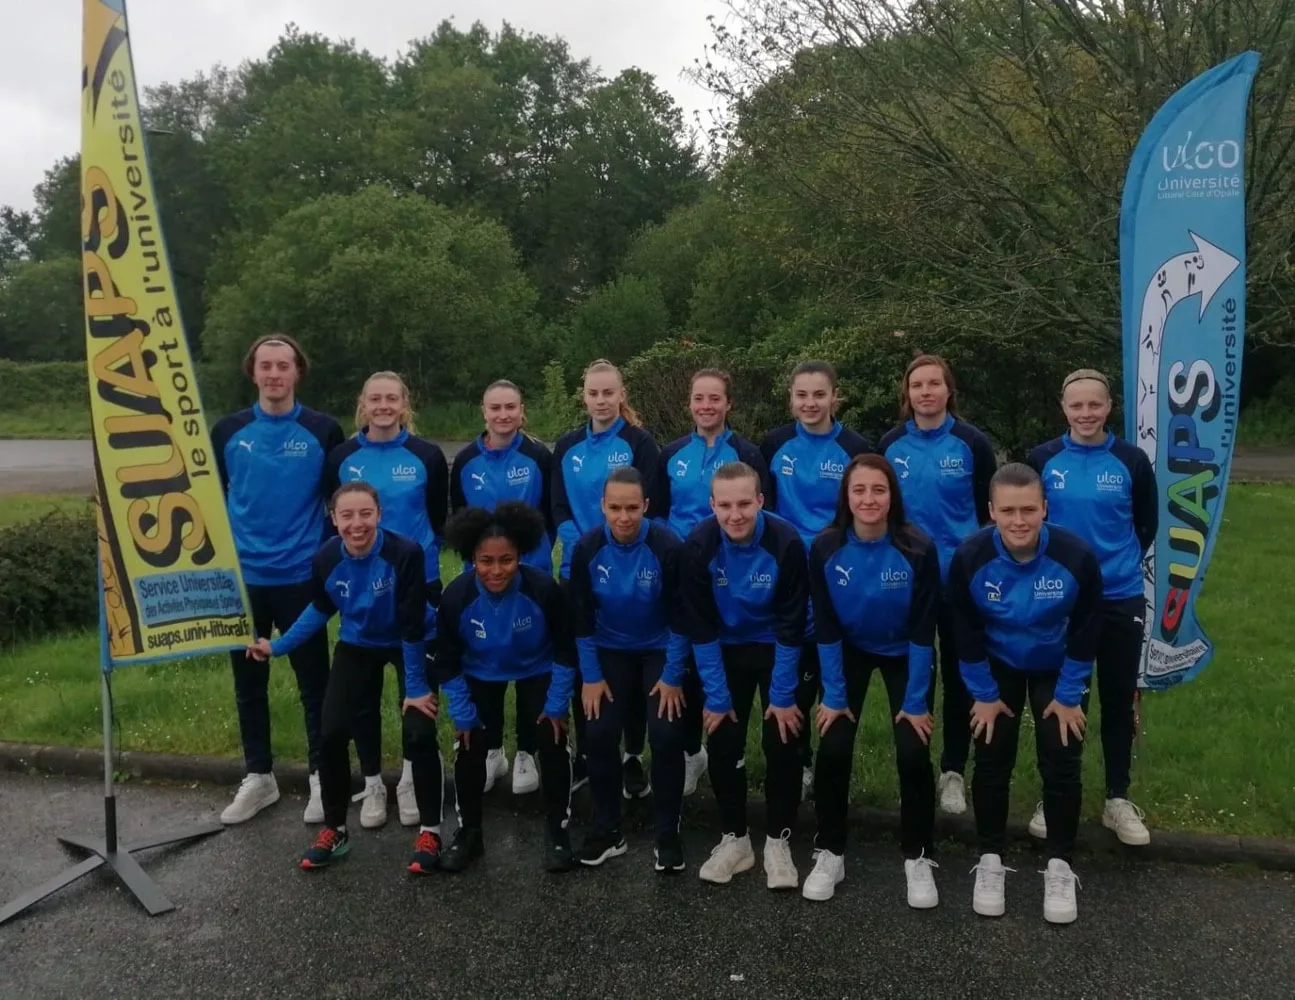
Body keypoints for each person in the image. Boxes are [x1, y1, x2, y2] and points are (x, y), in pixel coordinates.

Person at [242, 483, 429, 871]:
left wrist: (415, 688)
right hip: (357, 643)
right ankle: (334, 828)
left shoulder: (406, 553)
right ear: (334, 519)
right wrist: (276, 646)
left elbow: (413, 625)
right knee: (330, 732)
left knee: (419, 727)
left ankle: (431, 831)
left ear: (379, 515)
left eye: (365, 514)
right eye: (347, 516)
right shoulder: (326, 557)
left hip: (405, 640)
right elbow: (319, 608)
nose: (356, 524)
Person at [948, 463, 1103, 924]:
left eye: (1030, 510)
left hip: (1058, 666)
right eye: (1009, 511)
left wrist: (1071, 692)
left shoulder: (1076, 556)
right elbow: (964, 629)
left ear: (1045, 509)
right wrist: (983, 694)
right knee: (992, 755)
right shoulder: (971, 556)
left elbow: (1088, 626)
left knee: (1061, 756)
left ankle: (1059, 864)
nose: (1020, 521)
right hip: (998, 666)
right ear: (991, 510)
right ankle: (991, 859)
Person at [211, 334, 344, 826]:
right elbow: (210, 500)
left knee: (314, 684)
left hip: (299, 577)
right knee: (249, 683)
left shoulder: (322, 429)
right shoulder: (227, 431)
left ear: (297, 373)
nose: (274, 374)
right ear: (253, 372)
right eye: (265, 365)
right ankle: (259, 776)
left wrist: (325, 565)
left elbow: (338, 506)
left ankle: (319, 776)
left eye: (282, 365)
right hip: (243, 579)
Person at [1027, 368, 1157, 847]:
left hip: (1121, 596)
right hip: (1062, 598)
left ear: (1108, 407)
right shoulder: (1043, 458)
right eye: (1076, 405)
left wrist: (1112, 568)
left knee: (1118, 697)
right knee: (1067, 697)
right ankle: (1058, 794)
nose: (1086, 414)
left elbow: (1146, 525)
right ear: (1063, 407)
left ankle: (1117, 799)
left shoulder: (1131, 460)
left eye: (1094, 405)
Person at [805, 454, 941, 907]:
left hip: (906, 651)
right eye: (859, 490)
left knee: (913, 751)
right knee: (834, 745)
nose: (869, 499)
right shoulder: (824, 547)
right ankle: (830, 850)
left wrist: (917, 700)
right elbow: (824, 624)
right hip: (849, 651)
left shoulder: (919, 547)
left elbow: (925, 629)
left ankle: (918, 855)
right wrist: (835, 695)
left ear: (892, 496)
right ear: (846, 496)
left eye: (878, 490)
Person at [411, 501, 577, 873]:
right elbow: (448, 660)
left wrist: (555, 704)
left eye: (506, 560)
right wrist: (463, 713)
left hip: (537, 667)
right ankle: (470, 834)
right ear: (472, 558)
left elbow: (567, 649)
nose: (496, 570)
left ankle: (557, 832)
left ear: (520, 556)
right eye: (486, 561)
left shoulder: (543, 589)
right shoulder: (456, 597)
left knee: (552, 740)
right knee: (469, 747)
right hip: (480, 672)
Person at [323, 371, 448, 831]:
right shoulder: (341, 456)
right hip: (362, 584)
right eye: (375, 398)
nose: (383, 405)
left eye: (391, 398)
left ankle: (412, 778)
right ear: (363, 403)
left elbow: (437, 515)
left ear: (403, 404)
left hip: (418, 580)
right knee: (362, 697)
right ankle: (373, 781)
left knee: (414, 687)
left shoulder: (426, 455)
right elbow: (333, 516)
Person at [878, 354, 997, 817]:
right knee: (917, 676)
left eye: (934, 384)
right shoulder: (889, 445)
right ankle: (920, 768)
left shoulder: (972, 442)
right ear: (907, 394)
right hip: (907, 583)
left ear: (949, 390)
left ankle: (953, 771)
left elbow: (991, 515)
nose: (925, 392)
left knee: (960, 677)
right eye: (916, 385)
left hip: (962, 581)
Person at [682, 462, 809, 889]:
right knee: (721, 737)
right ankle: (735, 839)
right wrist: (716, 697)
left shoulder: (786, 541)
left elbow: (792, 624)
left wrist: (783, 694)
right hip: (725, 647)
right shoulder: (698, 545)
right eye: (725, 505)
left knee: (783, 736)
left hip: (777, 644)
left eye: (743, 504)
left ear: (760, 501)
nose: (735, 515)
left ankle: (778, 840)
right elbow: (699, 627)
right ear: (712, 506)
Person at [656, 368, 770, 796]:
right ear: (690, 403)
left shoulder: (746, 453)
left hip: (732, 574)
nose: (706, 406)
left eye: (715, 399)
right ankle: (692, 753)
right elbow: (659, 513)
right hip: (685, 574)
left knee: (724, 666)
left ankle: (737, 748)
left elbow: (761, 514)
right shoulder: (671, 454)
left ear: (728, 404)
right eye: (699, 398)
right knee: (685, 665)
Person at [569, 468, 690, 872]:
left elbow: (681, 617)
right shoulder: (586, 549)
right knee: (599, 729)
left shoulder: (667, 545)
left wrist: (673, 675)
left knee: (666, 730)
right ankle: (607, 828)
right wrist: (590, 676)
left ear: (647, 507)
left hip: (659, 647)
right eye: (616, 508)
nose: (624, 517)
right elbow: (581, 619)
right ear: (602, 506)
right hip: (609, 649)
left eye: (633, 508)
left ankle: (668, 833)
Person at [760, 361, 871, 799]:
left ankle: (832, 763)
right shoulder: (773, 443)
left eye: (818, 395)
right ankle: (800, 759)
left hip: (837, 569)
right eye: (801, 395)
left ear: (834, 397)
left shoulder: (855, 446)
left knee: (835, 662)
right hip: (788, 570)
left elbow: (863, 508)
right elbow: (764, 507)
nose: (810, 403)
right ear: (791, 398)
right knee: (794, 659)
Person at [552, 359, 660, 796]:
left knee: (631, 669)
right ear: (585, 396)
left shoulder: (640, 442)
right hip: (579, 566)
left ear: (621, 395)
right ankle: (590, 756)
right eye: (593, 393)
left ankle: (633, 755)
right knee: (586, 666)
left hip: (632, 571)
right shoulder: (567, 446)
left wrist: (611, 549)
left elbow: (651, 506)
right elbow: (557, 508)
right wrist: (585, 551)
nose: (600, 400)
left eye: (608, 393)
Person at [451, 379, 555, 797]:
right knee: (485, 661)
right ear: (484, 411)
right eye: (495, 408)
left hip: (530, 575)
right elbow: (459, 520)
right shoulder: (464, 461)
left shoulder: (538, 456)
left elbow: (547, 514)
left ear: (521, 410)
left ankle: (528, 751)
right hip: (483, 580)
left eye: (510, 407)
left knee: (531, 662)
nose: (503, 415)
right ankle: (493, 748)